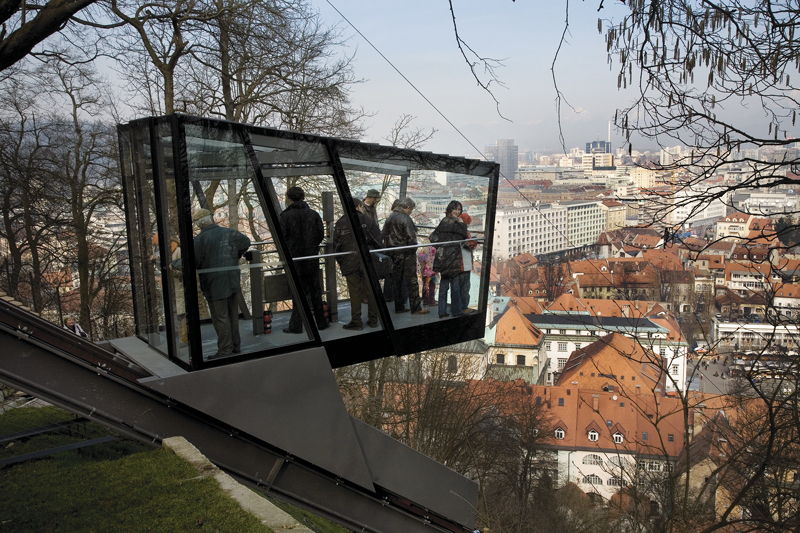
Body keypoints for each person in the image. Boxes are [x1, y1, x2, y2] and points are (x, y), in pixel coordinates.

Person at [192, 208, 251, 357]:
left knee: (220, 317)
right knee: (232, 315)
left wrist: (174, 264)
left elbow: (193, 261)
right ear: (210, 218)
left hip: (214, 283)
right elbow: (245, 241)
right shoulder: (228, 233)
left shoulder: (200, 240)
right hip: (232, 279)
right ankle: (235, 346)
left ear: (199, 224)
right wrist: (235, 255)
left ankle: (225, 350)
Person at [280, 186, 329, 333]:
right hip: (311, 256)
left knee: (298, 292)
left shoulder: (285, 216)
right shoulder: (313, 214)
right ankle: (321, 323)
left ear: (289, 198)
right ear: (304, 196)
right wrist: (313, 246)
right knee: (315, 290)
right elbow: (320, 233)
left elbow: (282, 236)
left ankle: (296, 325)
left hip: (294, 259)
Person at [333, 198, 381, 330]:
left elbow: (336, 246)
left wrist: (342, 261)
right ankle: (373, 320)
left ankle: (356, 321)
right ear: (359, 206)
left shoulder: (341, 222)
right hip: (367, 260)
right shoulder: (367, 220)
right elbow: (378, 241)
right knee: (371, 291)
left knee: (355, 292)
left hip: (349, 261)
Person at [381, 197, 429, 315]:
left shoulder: (390, 217)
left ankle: (399, 306)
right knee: (411, 280)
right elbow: (411, 237)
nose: (411, 211)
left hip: (393, 253)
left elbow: (383, 234)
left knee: (397, 280)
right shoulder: (405, 219)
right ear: (407, 207)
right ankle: (416, 308)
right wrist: (413, 249)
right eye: (411, 209)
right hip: (406, 253)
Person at [430, 201, 468, 319]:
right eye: (455, 209)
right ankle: (456, 310)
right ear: (450, 210)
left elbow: (432, 237)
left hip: (442, 259)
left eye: (459, 210)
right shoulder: (454, 222)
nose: (457, 212)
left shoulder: (443, 221)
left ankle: (442, 311)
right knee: (455, 287)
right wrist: (462, 223)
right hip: (453, 258)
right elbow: (464, 235)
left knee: (444, 285)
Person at [458, 212, 478, 313]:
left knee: (457, 286)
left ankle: (457, 307)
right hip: (465, 262)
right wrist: (474, 241)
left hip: (457, 262)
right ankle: (464, 307)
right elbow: (469, 244)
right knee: (465, 286)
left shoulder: (455, 230)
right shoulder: (465, 232)